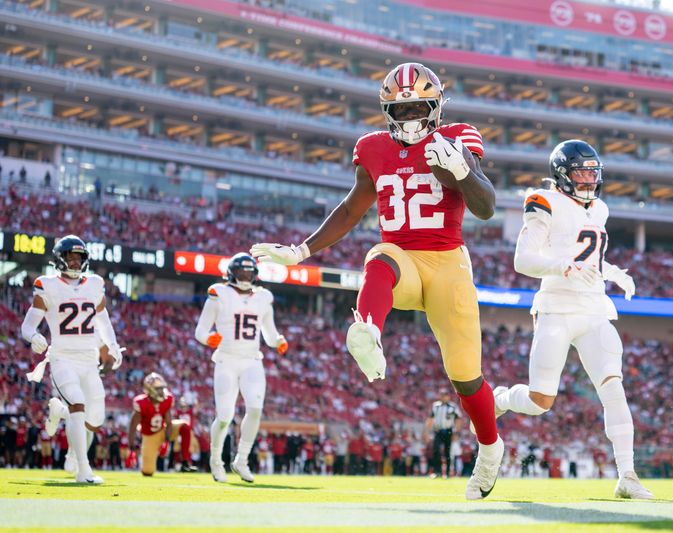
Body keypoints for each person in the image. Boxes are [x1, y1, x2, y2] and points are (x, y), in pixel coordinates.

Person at [250, 61, 503, 500]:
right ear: (386, 111)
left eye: (418, 108)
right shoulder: (372, 148)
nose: (409, 119)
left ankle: (490, 447)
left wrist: (460, 170)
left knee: (465, 377)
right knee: (378, 256)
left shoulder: (459, 136)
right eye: (399, 110)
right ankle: (367, 331)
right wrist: (300, 250)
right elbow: (351, 209)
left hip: (447, 264)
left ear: (437, 106)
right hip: (402, 258)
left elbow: (486, 206)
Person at [492, 140, 653, 499]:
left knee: (614, 388)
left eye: (593, 172)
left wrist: (612, 271)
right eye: (581, 171)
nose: (589, 179)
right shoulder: (544, 201)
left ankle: (627, 475)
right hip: (556, 308)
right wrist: (561, 266)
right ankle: (501, 399)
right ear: (562, 174)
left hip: (594, 308)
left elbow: (587, 256)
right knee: (539, 402)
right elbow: (523, 259)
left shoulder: (600, 208)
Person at [20, 235, 123, 483]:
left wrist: (113, 345)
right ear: (59, 259)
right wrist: (33, 336)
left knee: (95, 418)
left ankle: (60, 412)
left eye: (79, 258)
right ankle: (83, 470)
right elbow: (27, 325)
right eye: (71, 257)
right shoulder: (47, 284)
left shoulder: (95, 283)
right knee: (78, 403)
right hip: (63, 358)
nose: (76, 262)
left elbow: (103, 320)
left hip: (89, 359)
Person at [194, 252, 288, 483]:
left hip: (251, 360)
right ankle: (216, 460)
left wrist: (278, 341)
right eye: (241, 272)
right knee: (225, 416)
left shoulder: (263, 297)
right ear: (231, 273)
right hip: (226, 359)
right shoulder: (219, 293)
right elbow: (200, 331)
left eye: (249, 272)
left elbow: (269, 333)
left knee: (255, 409)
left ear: (255, 274)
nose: (245, 276)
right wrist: (208, 339)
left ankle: (242, 460)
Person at [127, 372, 196, 476]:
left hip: (163, 430)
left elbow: (168, 422)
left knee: (185, 426)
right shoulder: (142, 403)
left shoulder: (167, 399)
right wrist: (131, 447)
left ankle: (185, 462)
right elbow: (132, 426)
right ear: (149, 390)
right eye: (157, 388)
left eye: (161, 388)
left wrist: (167, 441)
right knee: (147, 471)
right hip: (149, 436)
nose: (161, 391)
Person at [426, 388, 461, 478]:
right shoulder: (436, 406)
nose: (443, 397)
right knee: (436, 450)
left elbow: (458, 419)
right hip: (437, 431)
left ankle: (448, 473)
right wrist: (428, 431)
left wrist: (456, 432)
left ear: (448, 396)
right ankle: (437, 472)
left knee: (447, 452)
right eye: (441, 395)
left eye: (444, 395)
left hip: (448, 431)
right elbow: (430, 418)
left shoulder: (453, 407)